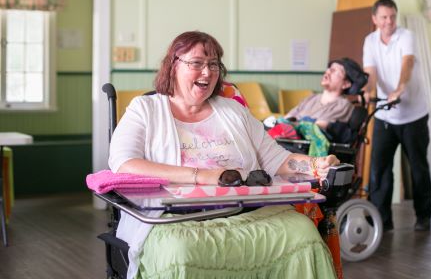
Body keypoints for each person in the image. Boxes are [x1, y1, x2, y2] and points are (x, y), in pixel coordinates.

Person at [108, 31, 339, 279]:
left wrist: (316, 164)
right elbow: (123, 163)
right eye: (196, 63)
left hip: (246, 211)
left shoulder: (234, 111)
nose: (207, 72)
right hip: (173, 218)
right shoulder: (145, 109)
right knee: (179, 250)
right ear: (173, 65)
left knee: (302, 232)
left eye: (214, 64)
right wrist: (202, 176)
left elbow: (278, 160)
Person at [363, 0, 431, 232]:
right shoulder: (370, 41)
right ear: (375, 19)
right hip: (386, 116)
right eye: (383, 17)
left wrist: (400, 87)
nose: (389, 21)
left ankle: (424, 216)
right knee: (380, 169)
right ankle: (383, 220)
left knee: (418, 168)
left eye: (392, 16)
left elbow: (408, 63)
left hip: (414, 115)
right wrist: (366, 90)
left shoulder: (406, 36)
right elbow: (370, 73)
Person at [285, 57, 366, 130]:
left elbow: (315, 130)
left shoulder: (343, 105)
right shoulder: (311, 98)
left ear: (346, 84)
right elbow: (285, 120)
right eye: (328, 69)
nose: (327, 71)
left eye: (333, 70)